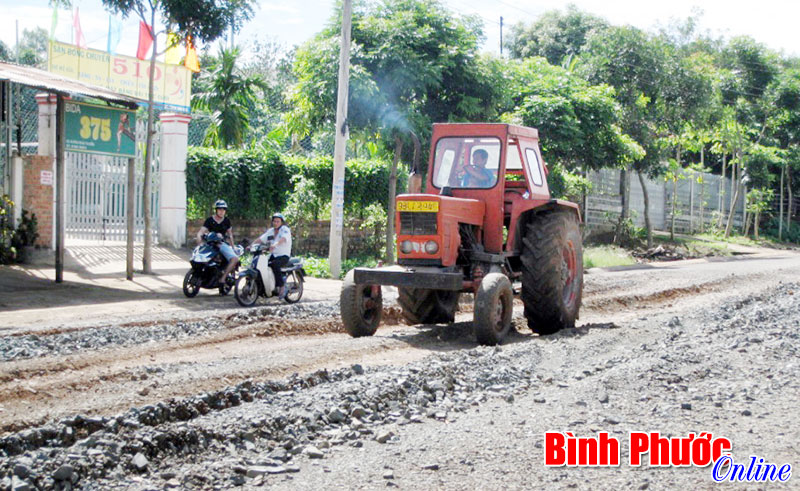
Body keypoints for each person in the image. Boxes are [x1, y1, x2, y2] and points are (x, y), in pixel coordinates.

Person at [195, 200, 239, 282]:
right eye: (220, 209)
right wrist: (199, 244)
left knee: (235, 259)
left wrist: (233, 247)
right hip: (209, 244)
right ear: (216, 210)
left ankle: (223, 278)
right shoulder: (209, 220)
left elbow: (230, 235)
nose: (222, 211)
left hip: (221, 244)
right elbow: (200, 232)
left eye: (223, 209)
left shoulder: (226, 221)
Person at [252, 213, 293, 299]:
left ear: (281, 222)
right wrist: (251, 245)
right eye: (274, 221)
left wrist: (275, 244)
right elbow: (261, 239)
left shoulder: (285, 229)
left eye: (278, 221)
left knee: (275, 264)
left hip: (283, 255)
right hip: (273, 255)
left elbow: (284, 238)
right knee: (262, 266)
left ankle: (282, 286)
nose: (276, 223)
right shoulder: (271, 231)